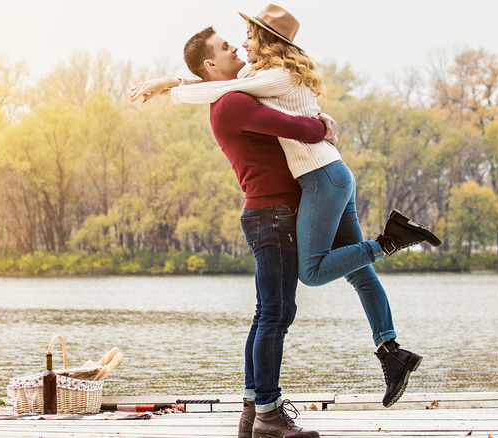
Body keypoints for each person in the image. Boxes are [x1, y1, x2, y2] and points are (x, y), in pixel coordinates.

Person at [131, 5, 441, 418]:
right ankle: (391, 350)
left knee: (311, 273)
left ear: (267, 41)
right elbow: (216, 86)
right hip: (332, 174)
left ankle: (391, 240)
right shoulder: (252, 82)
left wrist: (168, 85)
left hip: (319, 177)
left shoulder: (266, 80)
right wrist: (170, 81)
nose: (241, 45)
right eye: (230, 44)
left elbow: (215, 90)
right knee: (355, 272)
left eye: (247, 38)